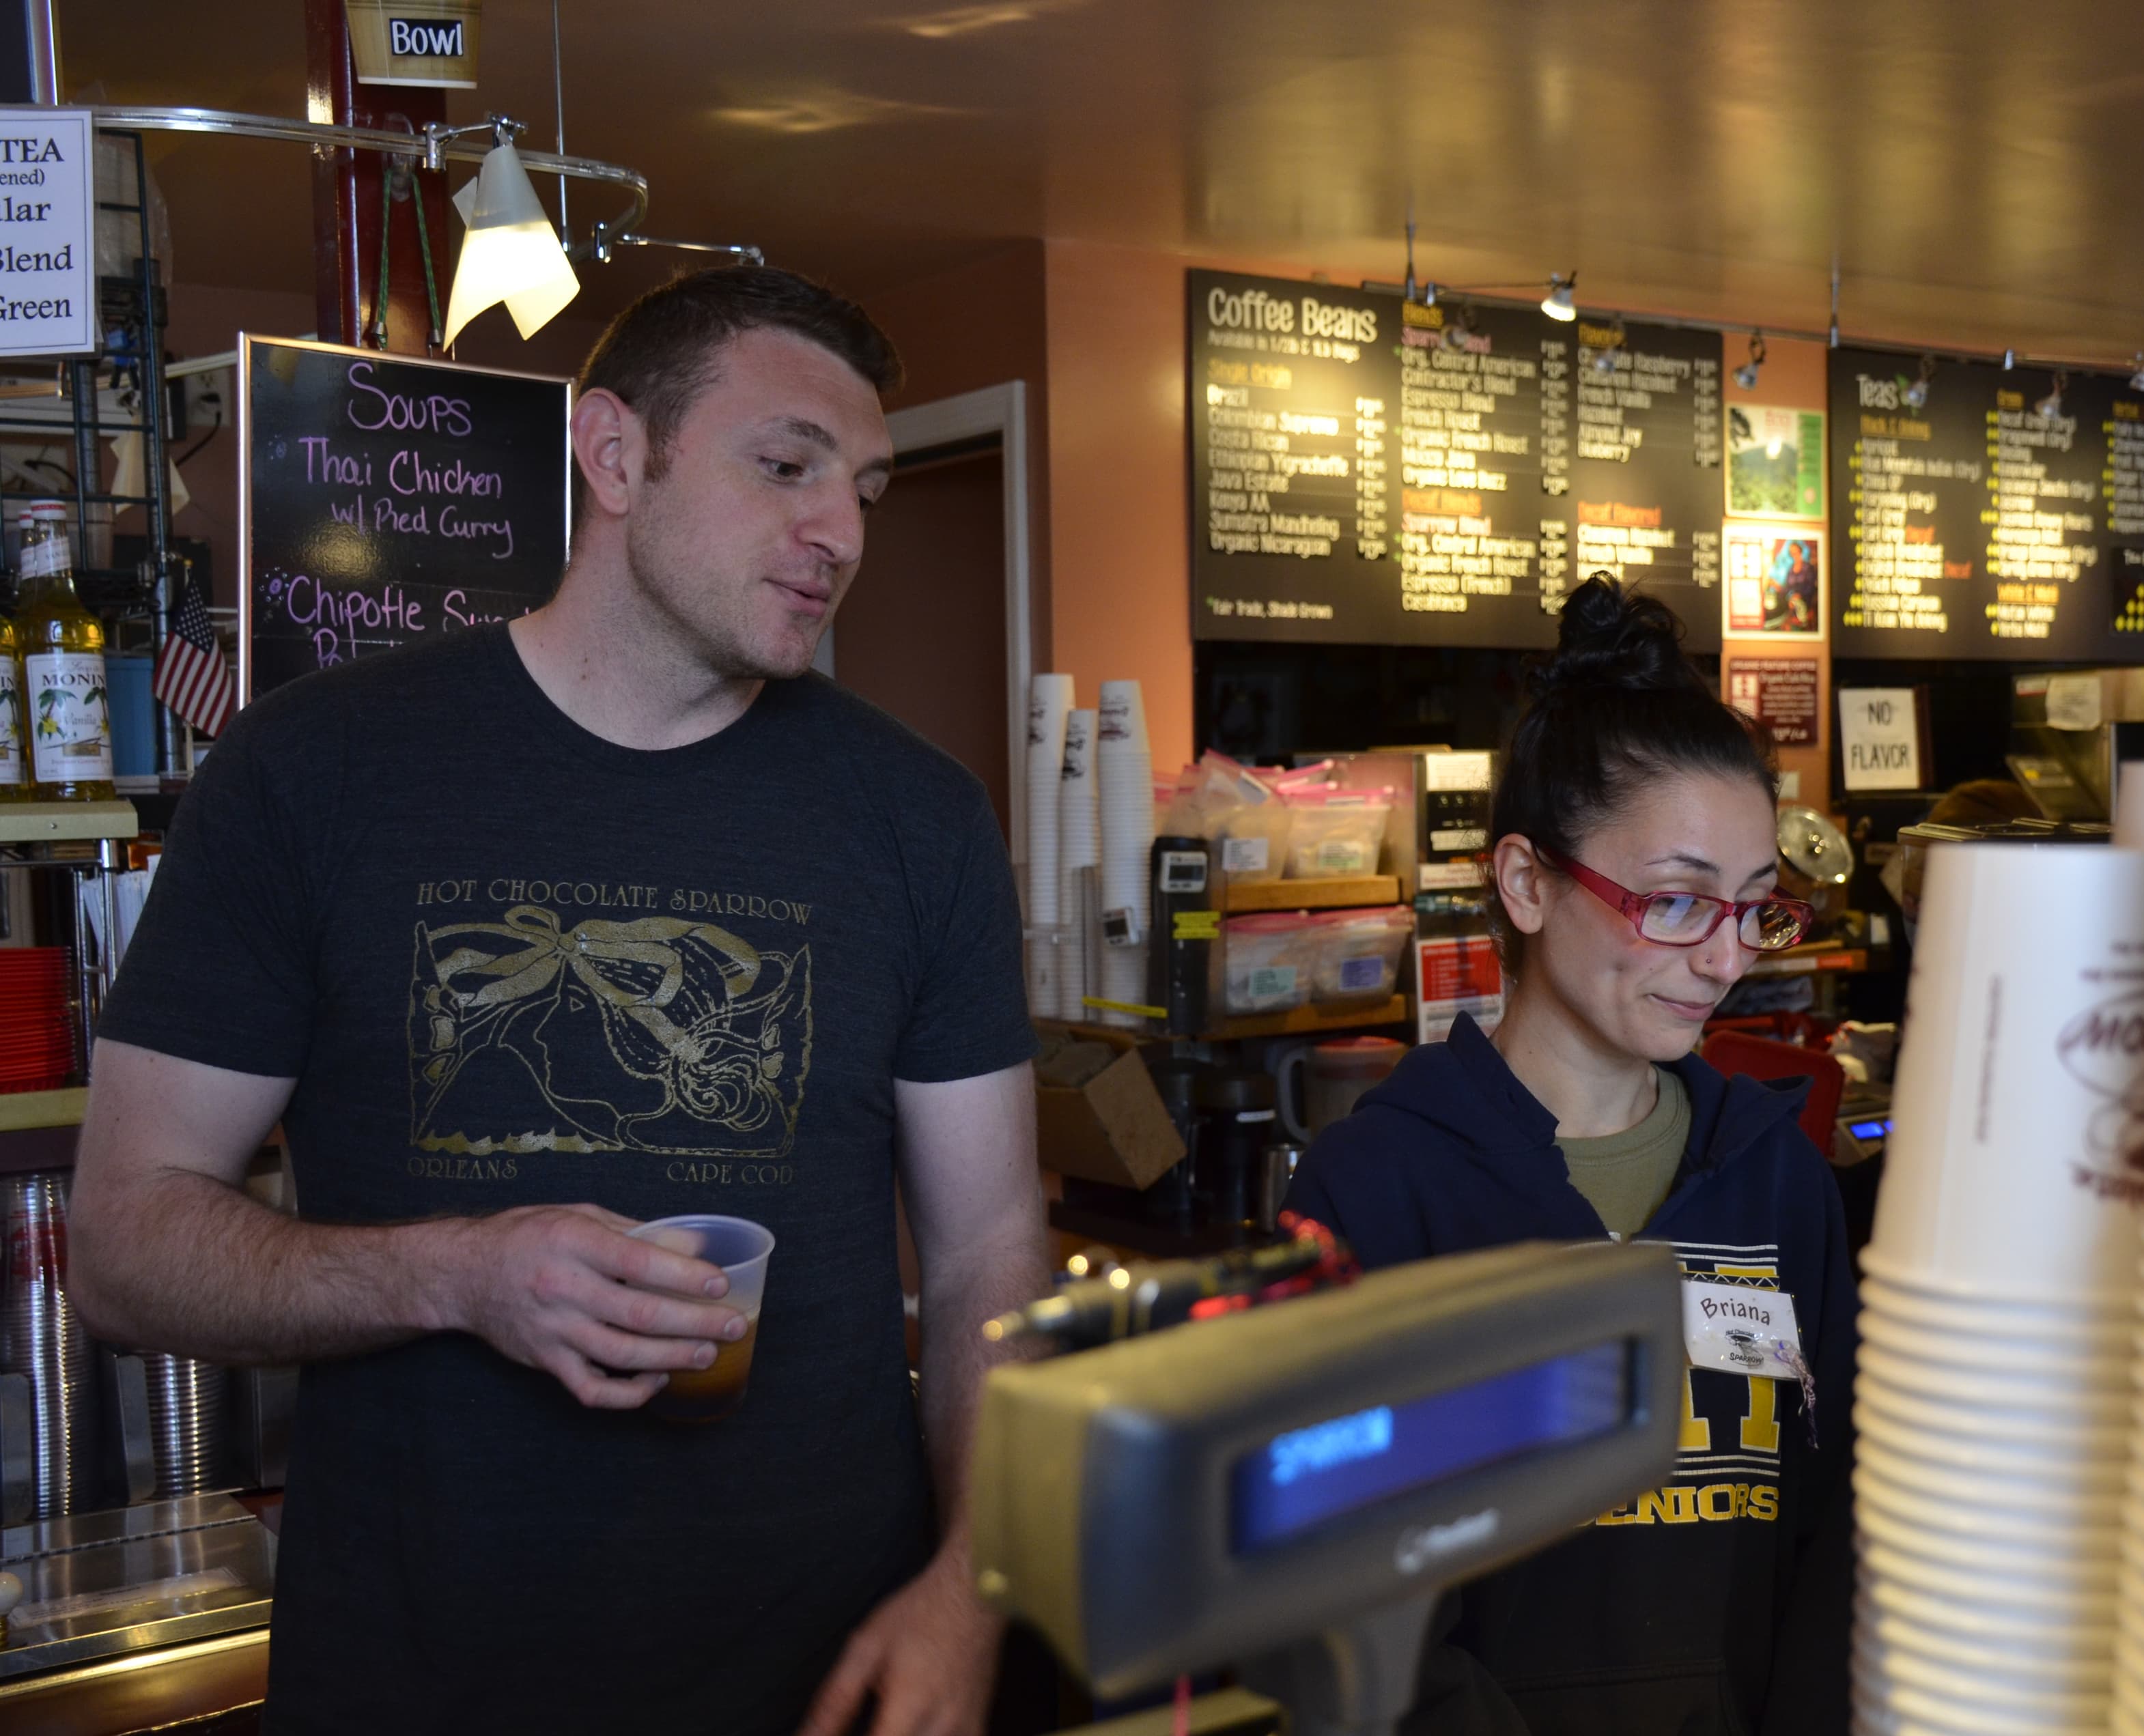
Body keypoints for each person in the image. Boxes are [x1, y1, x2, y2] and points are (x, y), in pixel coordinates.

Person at [68, 267, 1047, 1736]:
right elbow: (125, 1244)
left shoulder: (919, 818)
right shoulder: (312, 775)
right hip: (420, 1678)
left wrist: (973, 1585)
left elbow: (987, 1250)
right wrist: (452, 1275)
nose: (839, 531)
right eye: (784, 466)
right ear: (612, 455)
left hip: (832, 1680)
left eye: (868, 487)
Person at [1284, 577, 1857, 1736]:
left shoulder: (1776, 1181)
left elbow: (1834, 1535)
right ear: (1527, 883)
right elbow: (1346, 1598)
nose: (1724, 959)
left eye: (1755, 908)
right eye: (1678, 904)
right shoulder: (1377, 1191)